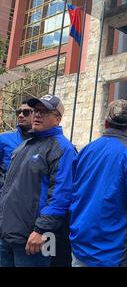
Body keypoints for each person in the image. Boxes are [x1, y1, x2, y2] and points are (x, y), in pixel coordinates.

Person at [69, 99, 127, 267]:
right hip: (111, 251)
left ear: (106, 122)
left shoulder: (86, 150)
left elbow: (73, 189)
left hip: (80, 243)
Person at [0, 95, 75, 267]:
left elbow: (61, 195)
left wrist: (42, 230)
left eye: (44, 112)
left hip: (34, 239)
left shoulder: (62, 148)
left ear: (57, 119)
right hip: (8, 235)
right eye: (35, 111)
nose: (37, 115)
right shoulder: (24, 145)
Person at [0, 101, 33, 194]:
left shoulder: (43, 142)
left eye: (26, 112)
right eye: (18, 112)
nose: (21, 115)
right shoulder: (3, 138)